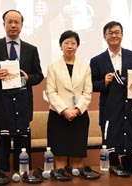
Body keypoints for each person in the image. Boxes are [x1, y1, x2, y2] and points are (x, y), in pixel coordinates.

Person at [0, 9, 44, 172]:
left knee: (22, 147)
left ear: (22, 25)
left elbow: (39, 75)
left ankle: (22, 176)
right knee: (2, 147)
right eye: (10, 22)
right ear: (4, 24)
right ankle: (2, 176)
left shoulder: (31, 49)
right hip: (1, 105)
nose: (13, 25)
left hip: (23, 106)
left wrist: (28, 77)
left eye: (17, 22)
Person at [90, 21, 132, 177]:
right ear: (104, 36)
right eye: (110, 33)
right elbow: (91, 85)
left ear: (122, 35)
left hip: (129, 111)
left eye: (117, 32)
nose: (114, 35)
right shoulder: (96, 60)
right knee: (111, 153)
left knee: (130, 152)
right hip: (109, 113)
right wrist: (104, 82)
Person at [46, 30, 92, 169]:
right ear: (61, 46)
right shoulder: (53, 67)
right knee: (59, 156)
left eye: (73, 43)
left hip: (79, 116)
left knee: (77, 157)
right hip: (58, 116)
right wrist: (65, 110)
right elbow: (51, 92)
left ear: (77, 46)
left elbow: (87, 92)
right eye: (66, 43)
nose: (70, 46)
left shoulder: (85, 67)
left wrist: (77, 110)